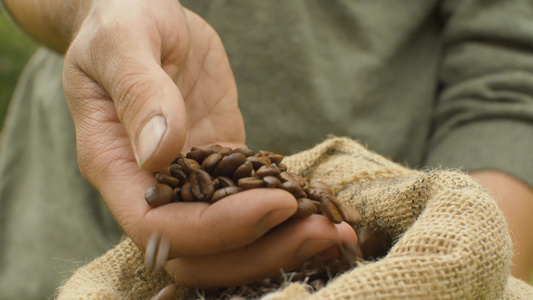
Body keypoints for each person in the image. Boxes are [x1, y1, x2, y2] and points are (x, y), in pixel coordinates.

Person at [0, 0, 532, 299]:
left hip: (363, 235)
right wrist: (97, 11)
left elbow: (509, 91)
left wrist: (439, 275)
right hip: (62, 212)